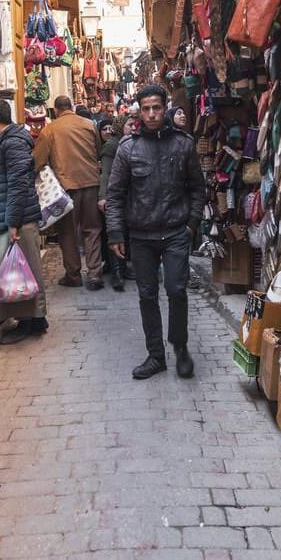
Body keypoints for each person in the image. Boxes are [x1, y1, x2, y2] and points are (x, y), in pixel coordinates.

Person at [104, 83, 209, 379]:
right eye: (146, 109)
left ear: (165, 109)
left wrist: (191, 225)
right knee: (147, 295)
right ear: (140, 111)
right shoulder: (128, 148)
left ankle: (180, 348)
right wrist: (115, 234)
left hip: (176, 231)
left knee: (176, 290)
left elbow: (198, 189)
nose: (151, 114)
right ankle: (156, 356)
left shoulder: (183, 144)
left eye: (157, 108)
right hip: (141, 236)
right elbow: (114, 195)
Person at [0, 98, 49, 343]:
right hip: (16, 215)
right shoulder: (7, 142)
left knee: (24, 269)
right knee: (25, 268)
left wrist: (12, 221)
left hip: (19, 218)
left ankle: (30, 321)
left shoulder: (13, 143)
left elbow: (19, 184)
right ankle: (34, 319)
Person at [34, 94, 106, 290]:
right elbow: (98, 149)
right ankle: (94, 273)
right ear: (72, 107)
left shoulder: (50, 129)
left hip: (66, 187)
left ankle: (73, 275)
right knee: (92, 229)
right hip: (91, 182)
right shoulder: (89, 124)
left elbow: (38, 161)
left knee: (68, 232)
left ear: (56, 110)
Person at [97, 120, 127, 291]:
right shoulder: (112, 145)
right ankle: (117, 272)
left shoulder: (129, 143)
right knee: (116, 231)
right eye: (129, 124)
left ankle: (119, 268)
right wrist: (103, 196)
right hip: (114, 195)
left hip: (126, 195)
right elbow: (106, 173)